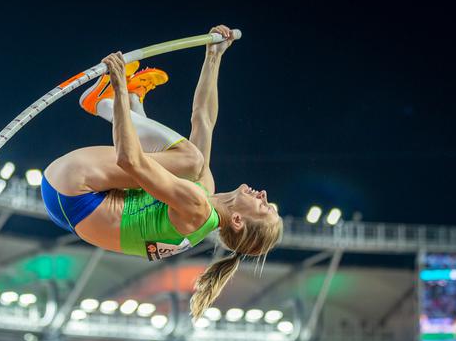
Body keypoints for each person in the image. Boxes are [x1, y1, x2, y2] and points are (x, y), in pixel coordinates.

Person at [42, 25, 282, 319]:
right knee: (187, 164)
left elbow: (129, 160)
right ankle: (134, 100)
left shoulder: (198, 209)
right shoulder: (201, 197)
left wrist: (116, 91)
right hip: (69, 203)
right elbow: (203, 120)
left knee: (190, 161)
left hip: (74, 188)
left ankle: (103, 101)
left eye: (263, 207)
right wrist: (214, 56)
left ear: (236, 220)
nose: (264, 195)